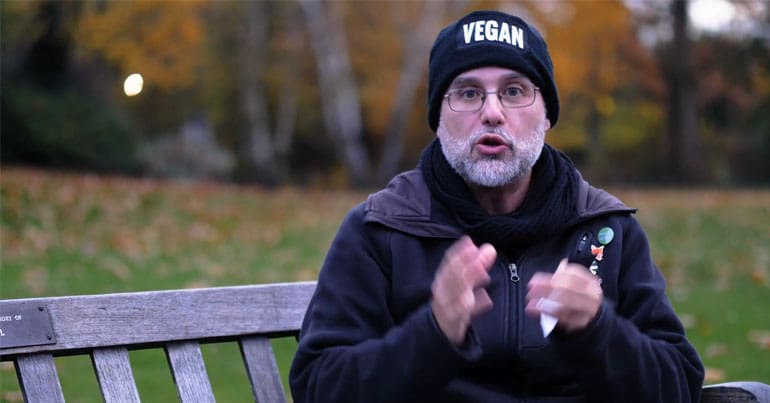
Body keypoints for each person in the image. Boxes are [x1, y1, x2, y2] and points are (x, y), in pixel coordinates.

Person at [289, 9, 704, 403]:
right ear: (438, 117)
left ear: (546, 117)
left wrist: (599, 331)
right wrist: (433, 333)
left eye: (514, 91)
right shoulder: (380, 230)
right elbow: (318, 387)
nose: (492, 113)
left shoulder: (605, 229)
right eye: (468, 93)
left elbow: (679, 386)